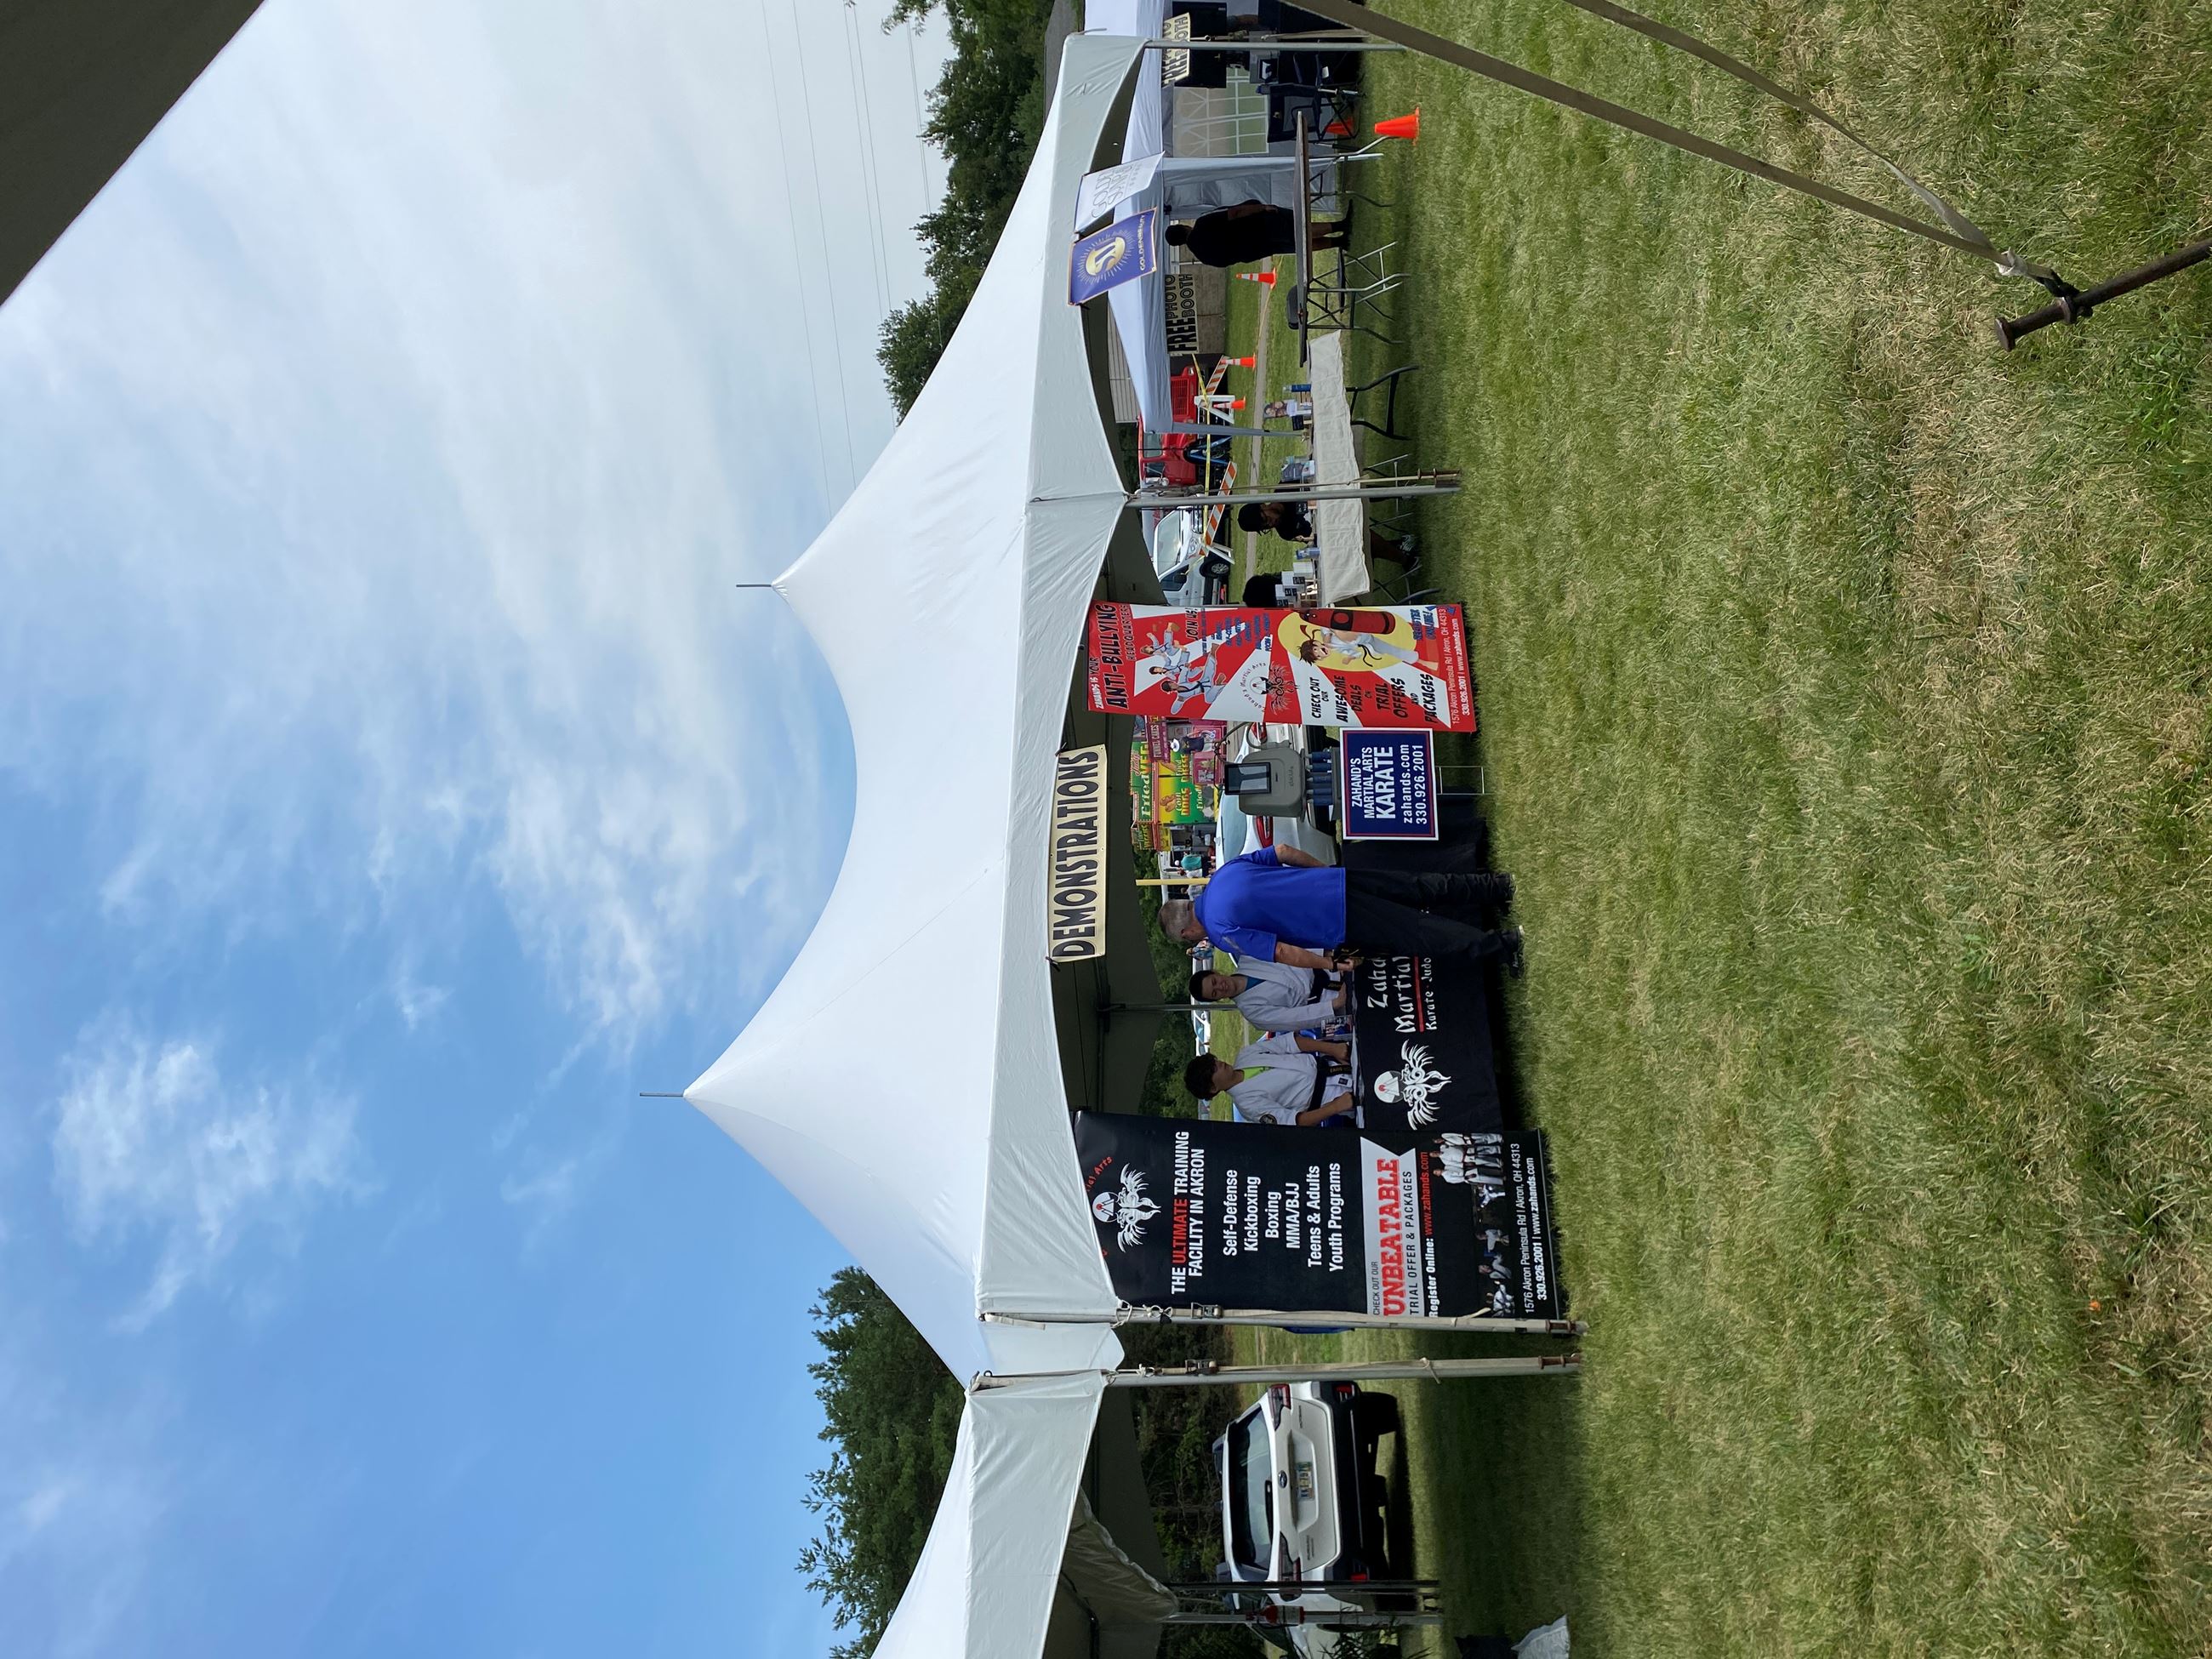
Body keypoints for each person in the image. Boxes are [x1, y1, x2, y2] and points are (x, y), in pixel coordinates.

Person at [1159, 843, 1523, 972]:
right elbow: (1282, 851)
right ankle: (1496, 887)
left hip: (1335, 920)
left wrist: (1329, 964)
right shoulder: (1223, 873)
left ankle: (1503, 945)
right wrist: (1325, 873)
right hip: (1336, 881)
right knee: (1416, 885)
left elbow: (1281, 951)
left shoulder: (1221, 932)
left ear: (1187, 931)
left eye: (1188, 939)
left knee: (1419, 932)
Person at [1183, 1033, 1353, 1126]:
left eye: (1213, 1061)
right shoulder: (1248, 1106)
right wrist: (1336, 1106)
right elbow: (1296, 1121)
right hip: (1335, 1096)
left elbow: (1289, 1043)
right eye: (1213, 1069)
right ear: (1213, 1088)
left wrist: (1333, 1049)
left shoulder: (1246, 1055)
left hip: (1336, 1062)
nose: (1219, 1064)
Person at [1235, 499, 1421, 570]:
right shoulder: (1285, 532)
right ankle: (1404, 556)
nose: (1270, 523)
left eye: (1265, 518)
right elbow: (1314, 540)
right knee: (1353, 539)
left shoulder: (1285, 491)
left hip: (1336, 504)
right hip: (1336, 528)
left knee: (1350, 491)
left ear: (1263, 506)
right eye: (1265, 526)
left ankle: (1398, 491)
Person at [1164, 201, 1347, 268]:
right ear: (1183, 227)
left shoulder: (1203, 257)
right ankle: (1340, 226)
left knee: (1298, 245)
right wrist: (1262, 208)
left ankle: (1338, 242)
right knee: (1298, 231)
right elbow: (1234, 213)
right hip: (1256, 228)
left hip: (1255, 250)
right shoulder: (1202, 224)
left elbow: (1228, 262)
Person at [1190, 957, 1348, 1032]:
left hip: (1330, 965)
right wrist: (1334, 1005)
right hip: (1328, 1000)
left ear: (1215, 972)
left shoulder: (1248, 959)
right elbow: (1294, 1019)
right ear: (1217, 999)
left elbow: (1291, 950)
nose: (1220, 987)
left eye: (1214, 981)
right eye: (1215, 993)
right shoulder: (1252, 1013)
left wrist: (1329, 958)